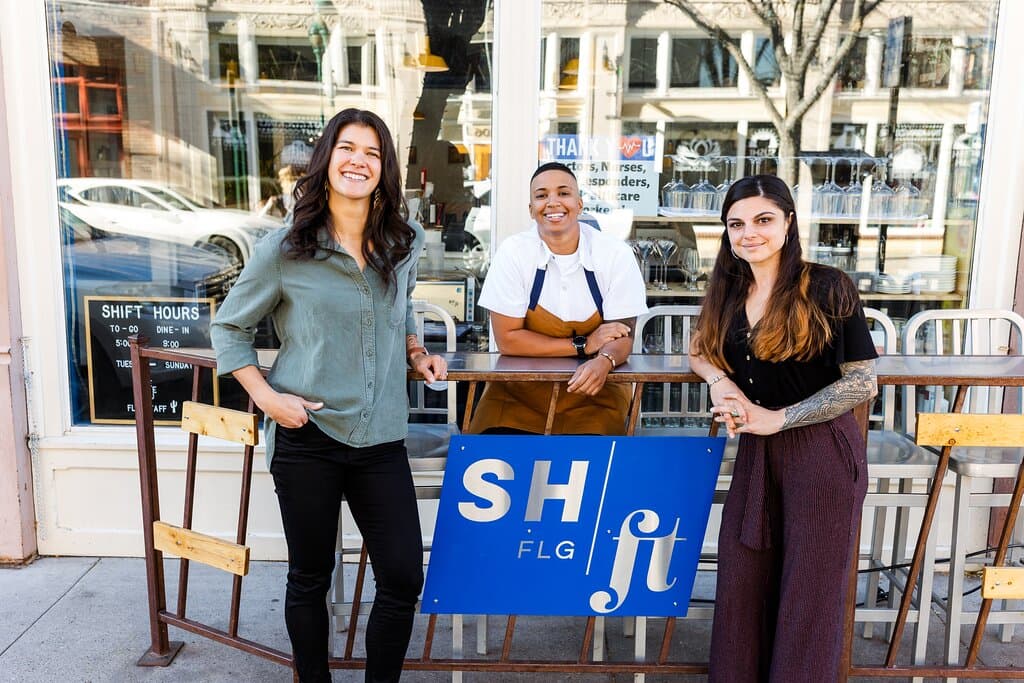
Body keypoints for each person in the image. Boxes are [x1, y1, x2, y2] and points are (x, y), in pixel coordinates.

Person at [211, 108, 447, 683]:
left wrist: (416, 354)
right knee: (310, 577)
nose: (357, 161)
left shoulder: (404, 241)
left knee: (401, 577)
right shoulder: (285, 248)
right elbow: (229, 328)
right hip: (307, 434)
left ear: (384, 167)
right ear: (326, 159)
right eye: (347, 148)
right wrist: (267, 398)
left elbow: (397, 313)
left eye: (371, 152)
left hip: (381, 435)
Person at [688, 174, 878, 681]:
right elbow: (698, 350)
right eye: (736, 223)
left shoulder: (827, 285)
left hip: (821, 453)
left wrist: (783, 418)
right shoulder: (729, 289)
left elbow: (862, 384)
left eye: (763, 220)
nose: (749, 233)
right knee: (744, 580)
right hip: (757, 452)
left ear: (789, 222)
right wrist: (718, 383)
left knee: (808, 594)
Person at [468, 161, 647, 435]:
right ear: (531, 210)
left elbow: (623, 336)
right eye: (541, 196)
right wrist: (586, 345)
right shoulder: (513, 253)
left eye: (563, 193)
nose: (553, 202)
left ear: (580, 203)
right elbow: (509, 339)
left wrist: (604, 361)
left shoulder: (613, 254)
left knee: (593, 467)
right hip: (517, 394)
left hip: (595, 392)